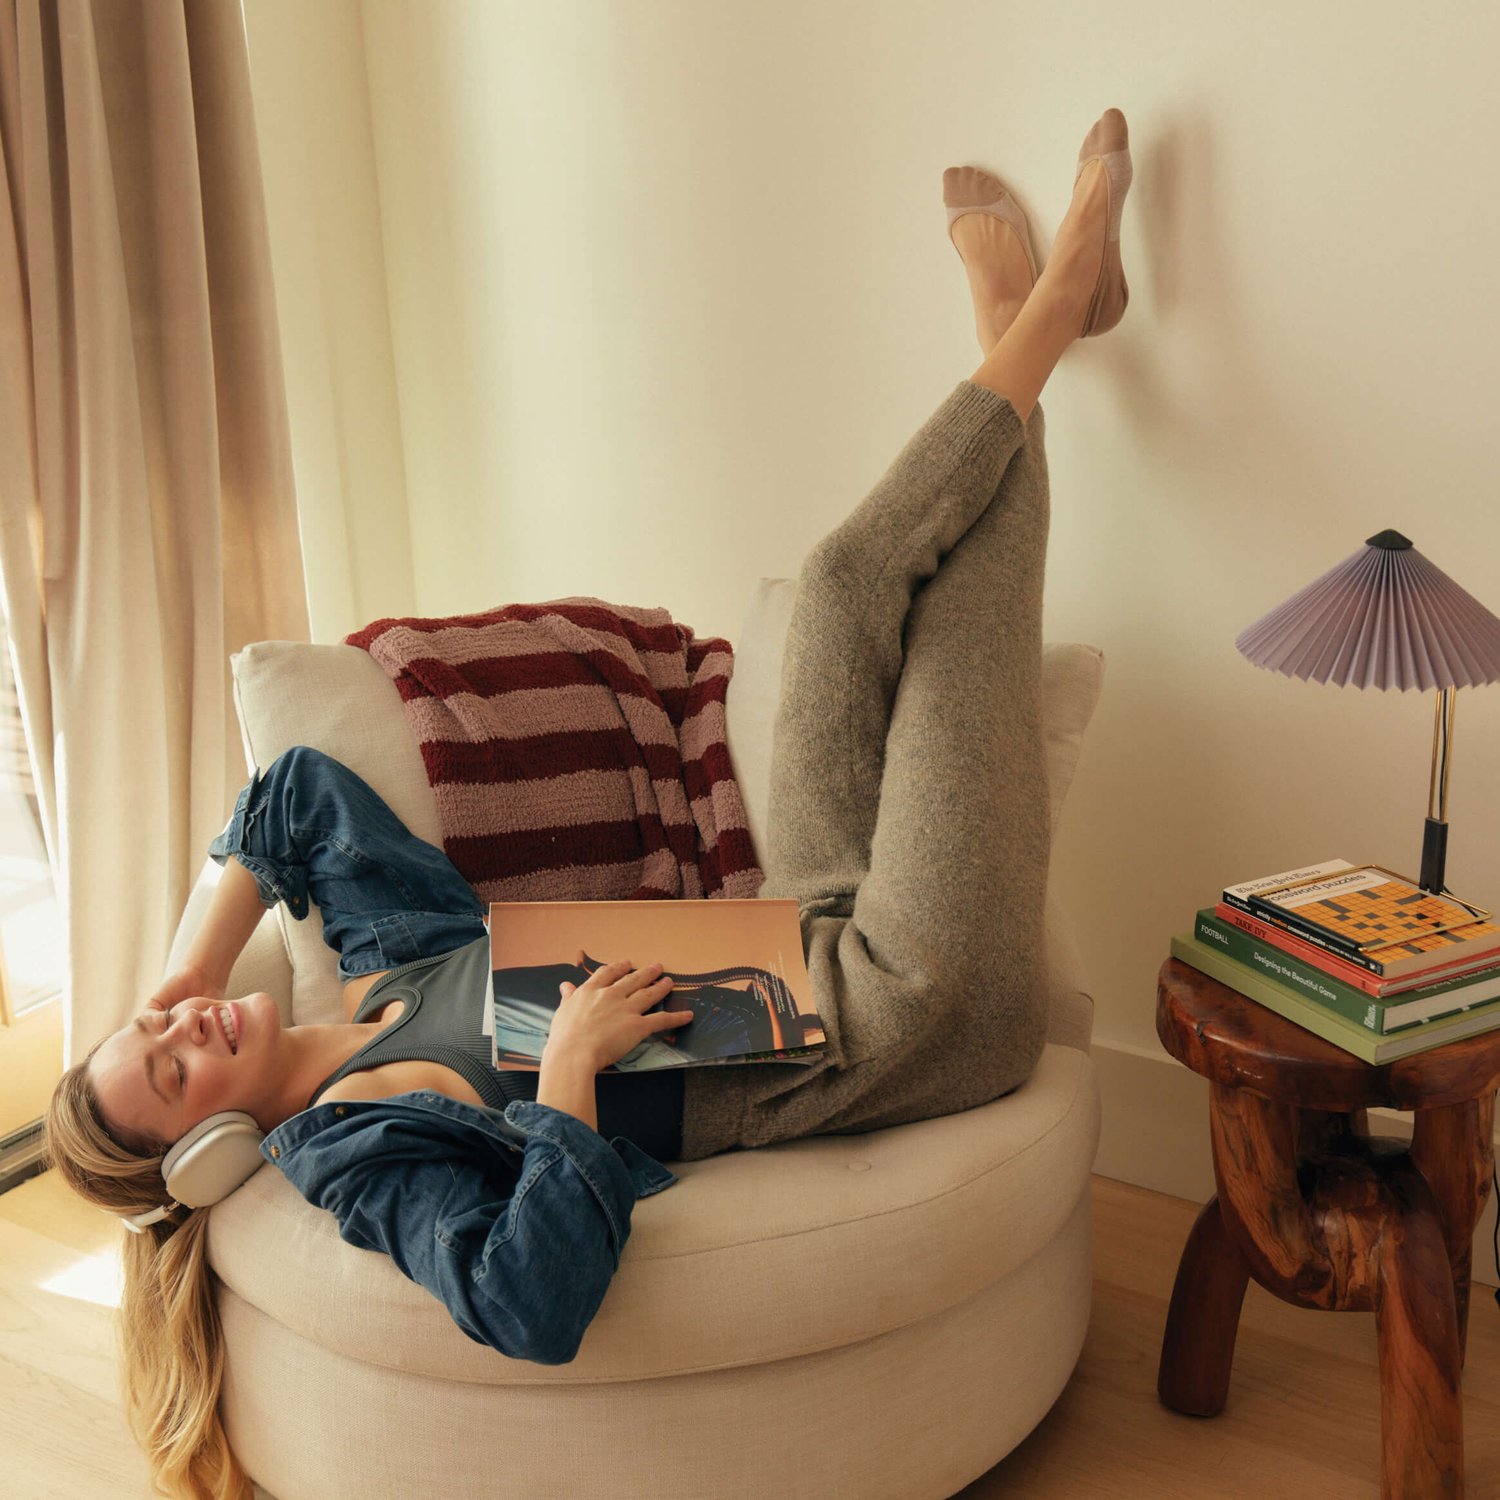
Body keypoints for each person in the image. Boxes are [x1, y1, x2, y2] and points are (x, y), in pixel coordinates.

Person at [45, 108, 1133, 1500]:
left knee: (846, 585)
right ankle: (1045, 307)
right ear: (205, 1151)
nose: (186, 1029)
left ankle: (1028, 335)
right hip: (899, 1009)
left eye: (155, 1028)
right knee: (964, 628)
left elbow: (293, 797)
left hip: (788, 920)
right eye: (177, 1070)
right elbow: (525, 1304)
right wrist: (566, 1074)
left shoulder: (382, 964)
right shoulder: (359, 1152)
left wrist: (181, 978)